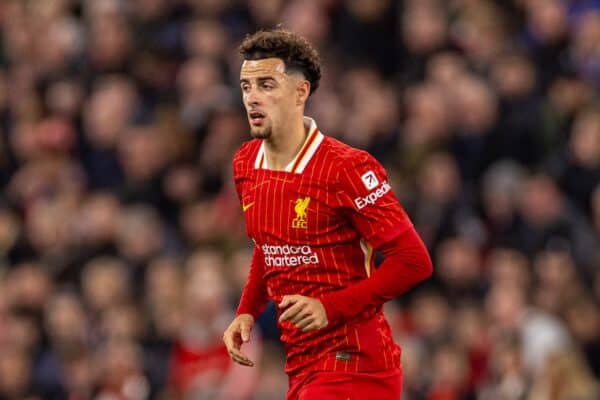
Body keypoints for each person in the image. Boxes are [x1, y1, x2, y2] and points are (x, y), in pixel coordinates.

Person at [223, 29, 433, 400]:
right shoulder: (245, 164)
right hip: (303, 366)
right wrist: (247, 311)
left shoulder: (346, 169)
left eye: (267, 85)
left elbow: (414, 261)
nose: (253, 98)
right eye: (246, 87)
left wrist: (330, 307)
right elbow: (269, 247)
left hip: (356, 363)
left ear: (300, 92)